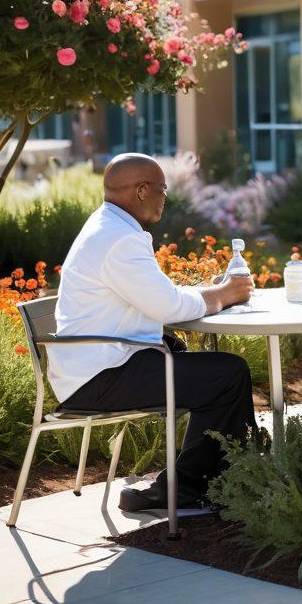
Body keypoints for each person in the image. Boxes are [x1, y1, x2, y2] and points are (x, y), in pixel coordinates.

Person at [48, 154, 256, 512]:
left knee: (212, 374)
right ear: (142, 191)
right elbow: (167, 307)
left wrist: (209, 294)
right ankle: (190, 487)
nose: (165, 198)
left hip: (101, 363)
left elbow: (156, 297)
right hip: (101, 376)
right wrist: (224, 294)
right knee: (227, 375)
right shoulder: (119, 239)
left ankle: (218, 478)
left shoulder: (108, 226)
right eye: (162, 190)